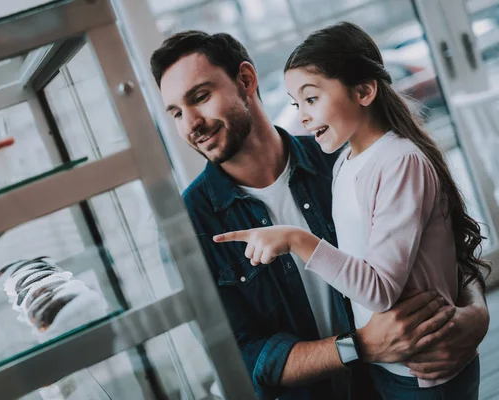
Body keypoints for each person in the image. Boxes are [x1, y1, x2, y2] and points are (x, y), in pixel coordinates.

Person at [150, 30, 489, 400]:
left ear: (246, 80)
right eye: (177, 113)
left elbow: (443, 245)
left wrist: (473, 315)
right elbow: (239, 358)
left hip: (396, 385)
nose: (190, 124)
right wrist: (359, 346)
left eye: (200, 98)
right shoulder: (187, 228)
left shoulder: (346, 158)